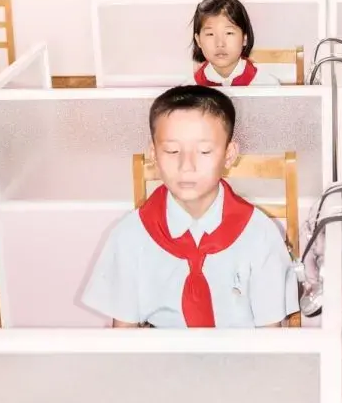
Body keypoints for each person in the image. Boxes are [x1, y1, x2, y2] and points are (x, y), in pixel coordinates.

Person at [82, 85, 299, 327]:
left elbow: (272, 339)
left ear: (229, 154)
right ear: (154, 154)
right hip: (162, 362)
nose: (187, 166)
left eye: (204, 151)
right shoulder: (130, 235)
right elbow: (124, 336)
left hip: (243, 361)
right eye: (172, 150)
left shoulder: (260, 234)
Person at [190, 0, 279, 86]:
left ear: (245, 38)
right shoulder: (189, 89)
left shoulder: (266, 84)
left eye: (229, 33)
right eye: (210, 34)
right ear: (198, 40)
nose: (220, 44)